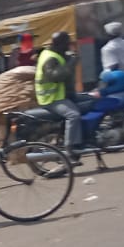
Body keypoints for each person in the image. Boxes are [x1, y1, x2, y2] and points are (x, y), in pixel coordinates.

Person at [36, 31, 86, 159]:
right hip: (52, 98)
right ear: (60, 44)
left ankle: (87, 139)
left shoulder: (57, 53)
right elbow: (55, 77)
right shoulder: (49, 58)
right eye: (66, 43)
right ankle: (69, 148)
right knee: (73, 115)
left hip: (63, 94)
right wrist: (72, 61)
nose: (68, 45)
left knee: (91, 100)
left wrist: (70, 57)